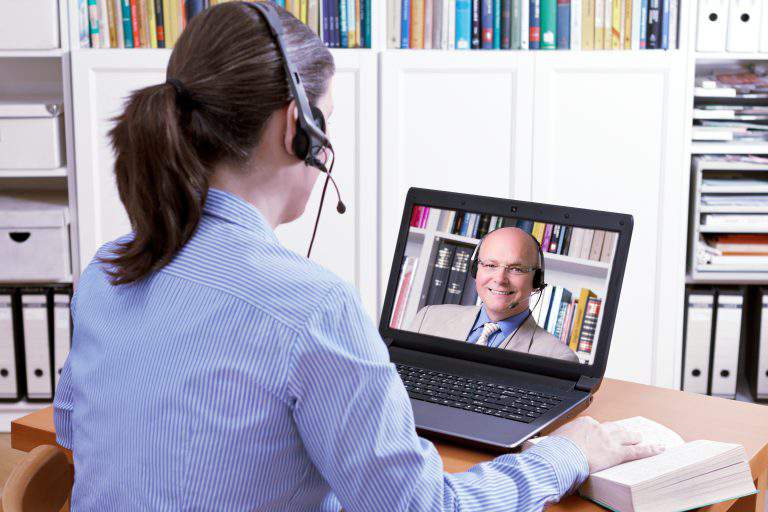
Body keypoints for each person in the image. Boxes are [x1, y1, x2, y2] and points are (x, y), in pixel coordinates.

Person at [52, 3, 662, 510]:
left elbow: (97, 442)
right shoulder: (312, 305)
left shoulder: (106, 273)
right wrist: (567, 453)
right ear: (298, 127)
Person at [409, 227, 580, 362]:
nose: (500, 279)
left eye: (516, 269)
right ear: (475, 269)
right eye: (490, 265)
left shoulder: (558, 357)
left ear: (536, 281)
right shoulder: (428, 318)